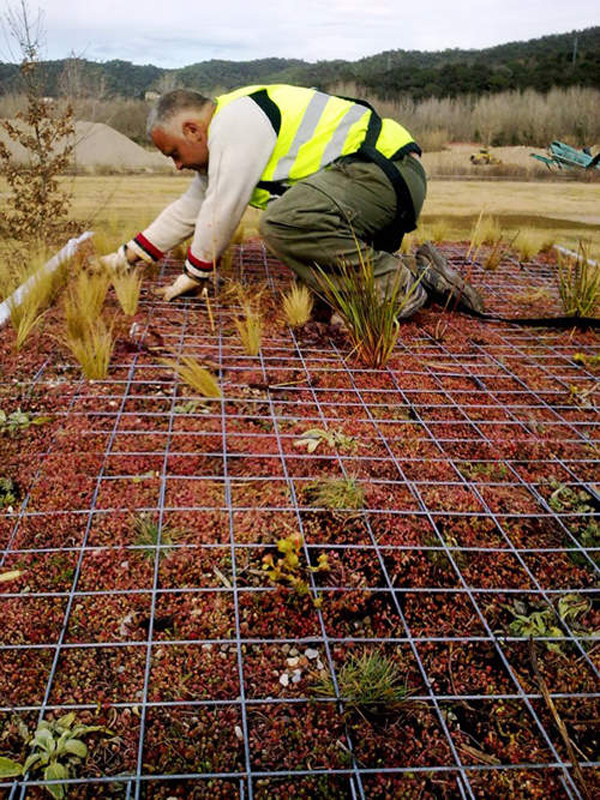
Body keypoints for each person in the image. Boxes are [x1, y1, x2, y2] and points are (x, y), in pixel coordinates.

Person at [101, 85, 483, 317]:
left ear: (192, 129)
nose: (178, 165)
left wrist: (195, 274)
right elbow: (192, 208)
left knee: (283, 222)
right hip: (373, 184)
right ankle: (417, 269)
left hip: (384, 174)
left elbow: (221, 208)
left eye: (174, 153)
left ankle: (398, 285)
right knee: (306, 247)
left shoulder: (235, 121)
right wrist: (123, 258)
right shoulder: (227, 130)